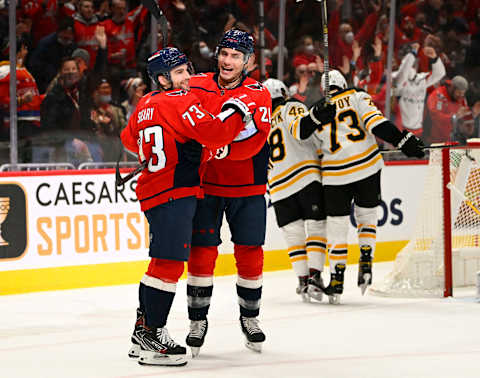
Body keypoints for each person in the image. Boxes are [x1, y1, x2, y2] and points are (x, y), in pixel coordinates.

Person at [121, 47, 256, 367]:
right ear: (163, 79)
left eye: (188, 70)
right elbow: (216, 132)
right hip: (175, 192)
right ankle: (153, 335)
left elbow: (129, 140)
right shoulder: (179, 101)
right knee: (167, 265)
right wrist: (237, 110)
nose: (188, 77)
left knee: (159, 264)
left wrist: (181, 143)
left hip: (155, 193)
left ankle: (143, 332)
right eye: (180, 72)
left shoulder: (144, 104)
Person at [290, 69, 425, 304]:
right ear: (343, 83)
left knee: (337, 227)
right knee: (367, 216)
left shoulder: (317, 109)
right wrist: (403, 140)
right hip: (367, 168)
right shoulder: (357, 96)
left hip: (334, 176)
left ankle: (337, 278)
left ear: (323, 89)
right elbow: (377, 125)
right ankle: (366, 261)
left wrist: (313, 118)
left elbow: (301, 134)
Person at [185, 29, 271, 356]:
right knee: (201, 252)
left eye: (236, 56)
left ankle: (251, 319)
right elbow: (183, 122)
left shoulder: (258, 93)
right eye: (224, 54)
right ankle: (197, 320)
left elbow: (253, 141)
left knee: (250, 253)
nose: (228, 61)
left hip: (247, 187)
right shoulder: (196, 85)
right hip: (205, 186)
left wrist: (214, 150)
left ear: (248, 61)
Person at [263, 78, 326, 302]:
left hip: (278, 186)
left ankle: (301, 280)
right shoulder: (292, 106)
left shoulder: (261, 123)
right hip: (304, 176)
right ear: (283, 93)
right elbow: (301, 130)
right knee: (316, 227)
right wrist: (318, 115)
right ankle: (315, 277)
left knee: (294, 235)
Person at [394, 42, 446, 137]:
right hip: (399, 129)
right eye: (410, 60)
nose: (414, 64)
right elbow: (401, 77)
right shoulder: (395, 77)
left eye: (415, 61)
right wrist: (412, 53)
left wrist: (434, 58)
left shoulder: (421, 79)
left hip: (418, 130)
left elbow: (440, 73)